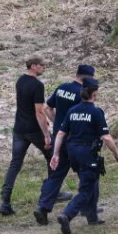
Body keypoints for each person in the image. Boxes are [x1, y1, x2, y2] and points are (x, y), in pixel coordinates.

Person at [50, 78, 118, 234]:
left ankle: (92, 217)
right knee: (87, 188)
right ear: (94, 94)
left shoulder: (72, 111)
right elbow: (106, 137)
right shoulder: (96, 112)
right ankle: (67, 214)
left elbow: (61, 133)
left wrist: (56, 154)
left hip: (72, 152)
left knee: (92, 180)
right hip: (86, 152)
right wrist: (116, 154)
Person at [33, 64, 95, 225]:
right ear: (88, 78)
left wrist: (60, 125)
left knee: (56, 175)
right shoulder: (82, 93)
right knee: (86, 174)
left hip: (58, 138)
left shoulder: (62, 88)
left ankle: (42, 207)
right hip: (75, 141)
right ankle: (88, 208)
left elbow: (47, 108)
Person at [0, 56, 53, 216]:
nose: (43, 67)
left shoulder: (20, 80)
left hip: (19, 128)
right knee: (52, 156)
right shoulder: (37, 85)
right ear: (34, 66)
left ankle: (5, 201)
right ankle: (52, 191)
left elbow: (22, 103)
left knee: (15, 164)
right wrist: (47, 135)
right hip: (34, 129)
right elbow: (39, 112)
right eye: (41, 65)